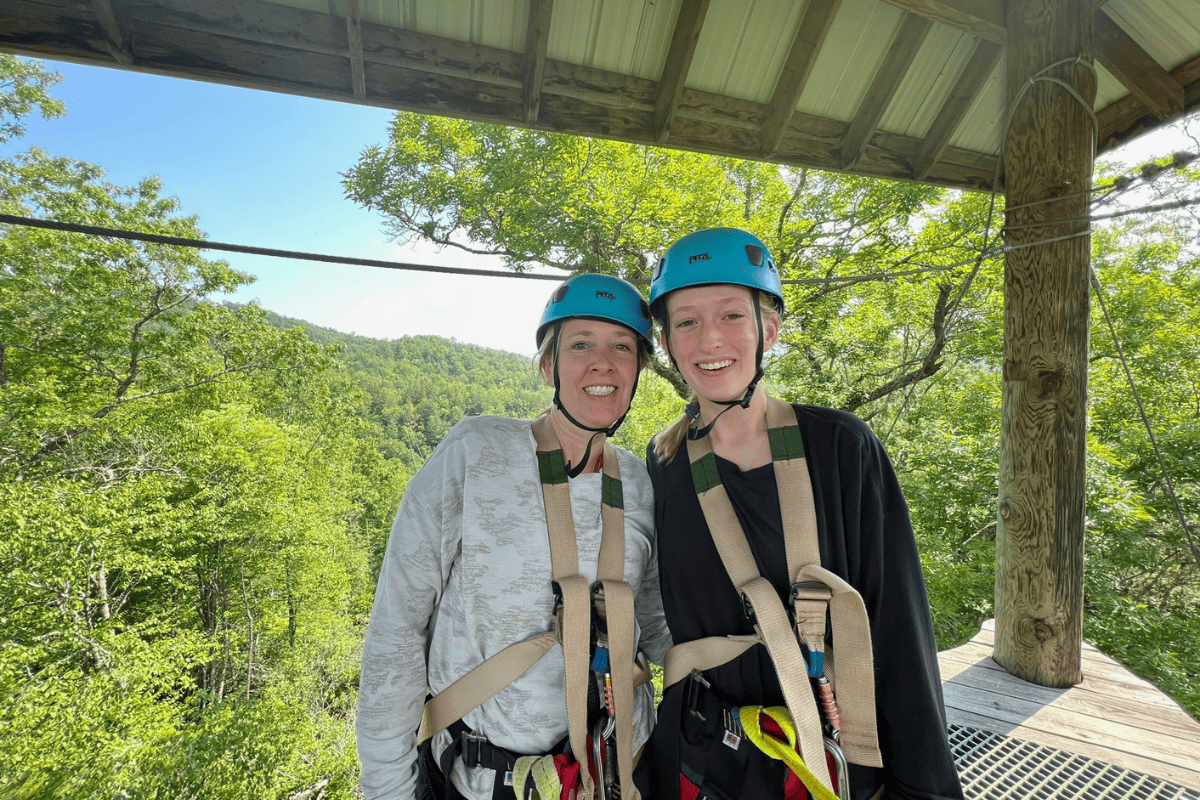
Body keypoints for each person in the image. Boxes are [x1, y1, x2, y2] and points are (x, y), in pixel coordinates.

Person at [644, 228, 963, 800]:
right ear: (668, 343)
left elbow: (898, 625)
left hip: (829, 755)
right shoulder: (664, 465)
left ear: (768, 330)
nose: (709, 339)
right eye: (686, 322)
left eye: (731, 316)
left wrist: (922, 787)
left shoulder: (839, 448)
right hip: (708, 754)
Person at [357, 273, 673, 800]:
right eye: (580, 345)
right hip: (485, 779)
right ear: (549, 366)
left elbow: (657, 622)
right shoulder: (476, 453)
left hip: (619, 770)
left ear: (639, 369)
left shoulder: (638, 482)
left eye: (622, 347)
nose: (603, 363)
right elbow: (397, 630)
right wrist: (388, 786)